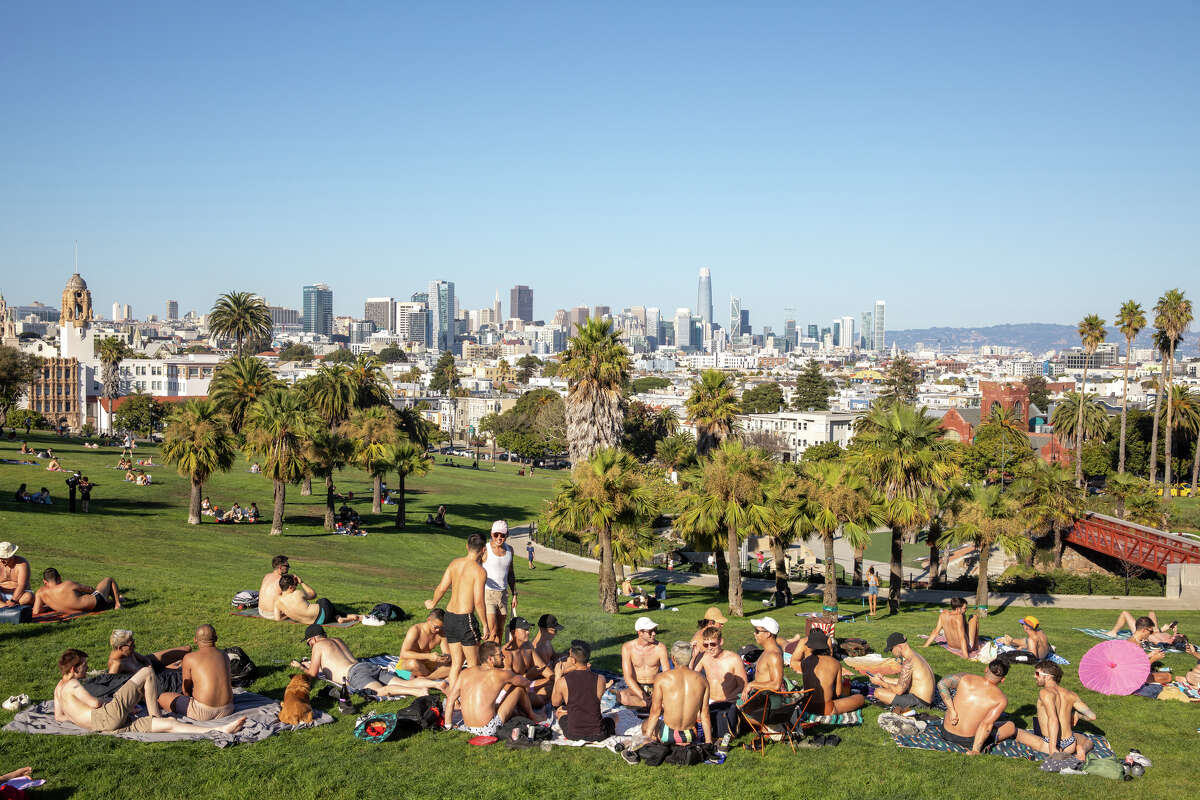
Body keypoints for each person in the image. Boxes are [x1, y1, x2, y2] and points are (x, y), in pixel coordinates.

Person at [53, 649, 245, 736]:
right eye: (84, 667)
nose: (86, 670)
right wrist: (117, 706)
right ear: (72, 670)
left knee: (168, 725)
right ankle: (154, 713)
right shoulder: (74, 685)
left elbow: (59, 717)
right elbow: (95, 704)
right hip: (105, 716)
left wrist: (79, 718)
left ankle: (218, 730)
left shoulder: (59, 689)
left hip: (103, 726)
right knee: (146, 672)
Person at [295, 624, 446, 698]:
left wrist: (302, 667)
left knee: (380, 691)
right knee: (404, 681)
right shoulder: (336, 640)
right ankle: (436, 684)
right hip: (365, 666)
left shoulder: (318, 646)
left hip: (354, 674)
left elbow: (313, 673)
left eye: (308, 643)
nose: (310, 646)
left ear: (313, 639)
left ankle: (419, 693)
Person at [424, 533, 489, 688]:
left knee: (456, 664)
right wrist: (485, 624)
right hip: (465, 619)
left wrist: (433, 602)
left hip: (450, 618)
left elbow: (441, 587)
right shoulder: (479, 572)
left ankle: (455, 699)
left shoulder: (455, 563)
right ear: (484, 549)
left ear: (467, 546)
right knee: (474, 665)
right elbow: (479, 601)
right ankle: (470, 700)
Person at [443, 641, 542, 736]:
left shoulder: (465, 673)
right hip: (488, 729)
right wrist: (529, 675)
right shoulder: (499, 674)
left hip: (467, 727)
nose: (503, 657)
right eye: (500, 655)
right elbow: (525, 683)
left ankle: (523, 713)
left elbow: (451, 699)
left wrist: (448, 725)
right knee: (518, 689)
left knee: (497, 703)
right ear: (490, 659)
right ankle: (533, 715)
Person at [153, 625, 240, 721]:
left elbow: (186, 687)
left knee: (162, 697)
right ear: (216, 638)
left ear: (195, 640)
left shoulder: (190, 658)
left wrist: (187, 700)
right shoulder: (224, 655)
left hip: (203, 712)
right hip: (228, 708)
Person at [1013, 660, 1096, 758]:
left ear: (1048, 676)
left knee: (1014, 731)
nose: (1034, 676)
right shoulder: (1071, 694)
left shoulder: (1045, 693)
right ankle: (1082, 749)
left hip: (1050, 743)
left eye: (1037, 674)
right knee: (1087, 741)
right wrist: (1078, 715)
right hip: (1070, 743)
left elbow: (1053, 719)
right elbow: (1092, 716)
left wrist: (1053, 748)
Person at [637, 640, 712, 747]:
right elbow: (705, 714)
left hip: (668, 734)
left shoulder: (662, 678)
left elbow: (655, 711)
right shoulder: (702, 679)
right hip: (690, 734)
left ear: (673, 658)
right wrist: (709, 742)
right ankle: (683, 744)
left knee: (645, 724)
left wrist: (647, 737)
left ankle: (656, 743)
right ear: (690, 658)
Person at [934, 662, 1017, 754]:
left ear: (986, 669)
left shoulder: (965, 677)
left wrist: (952, 710)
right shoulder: (1001, 699)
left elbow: (941, 684)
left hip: (945, 732)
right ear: (1003, 679)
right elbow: (986, 726)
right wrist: (975, 750)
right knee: (1011, 726)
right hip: (966, 741)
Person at [551, 641, 615, 741]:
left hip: (573, 734)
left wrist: (558, 676)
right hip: (599, 733)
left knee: (560, 713)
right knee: (615, 716)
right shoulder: (600, 679)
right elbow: (588, 699)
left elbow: (555, 703)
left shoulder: (563, 681)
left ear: (572, 660)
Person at [695, 625, 747, 738]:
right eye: (706, 645)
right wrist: (693, 658)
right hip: (710, 701)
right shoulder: (704, 657)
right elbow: (691, 677)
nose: (709, 648)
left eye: (713, 644)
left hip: (729, 700)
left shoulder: (734, 659)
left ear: (721, 641)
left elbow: (743, 685)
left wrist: (727, 699)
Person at [797, 628, 865, 715]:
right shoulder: (835, 663)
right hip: (827, 709)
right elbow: (838, 693)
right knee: (860, 698)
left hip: (807, 706)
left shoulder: (805, 662)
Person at [617, 617, 671, 709]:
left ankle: (650, 703)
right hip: (637, 686)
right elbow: (628, 677)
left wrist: (658, 691)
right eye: (650, 631)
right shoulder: (627, 648)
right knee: (621, 697)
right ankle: (653, 704)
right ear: (640, 633)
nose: (654, 634)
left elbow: (667, 675)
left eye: (655, 630)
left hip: (656, 686)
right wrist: (643, 696)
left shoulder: (660, 648)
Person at [871, 633, 935, 708]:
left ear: (899, 646)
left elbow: (899, 691)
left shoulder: (909, 662)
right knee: (885, 689)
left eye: (891, 649)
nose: (891, 652)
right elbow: (903, 681)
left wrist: (881, 682)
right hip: (922, 698)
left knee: (878, 692)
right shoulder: (915, 655)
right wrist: (884, 678)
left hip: (920, 702)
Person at [273, 574, 360, 625]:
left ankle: (340, 617)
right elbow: (313, 595)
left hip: (317, 622)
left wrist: (290, 614)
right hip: (324, 613)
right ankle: (340, 617)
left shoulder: (277, 603)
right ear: (291, 587)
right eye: (296, 584)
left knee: (327, 611)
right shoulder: (297, 593)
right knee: (322, 600)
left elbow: (277, 619)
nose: (297, 586)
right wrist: (302, 582)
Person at [482, 520, 517, 644]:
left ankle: (496, 659)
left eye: (502, 535)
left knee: (500, 631)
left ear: (507, 535)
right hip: (488, 594)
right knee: (492, 631)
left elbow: (511, 574)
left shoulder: (510, 550)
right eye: (496, 534)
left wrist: (514, 595)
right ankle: (487, 660)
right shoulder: (485, 549)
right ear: (491, 534)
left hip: (503, 595)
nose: (499, 538)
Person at [503, 617, 552, 704]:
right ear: (514, 633)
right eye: (524, 630)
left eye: (528, 629)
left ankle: (536, 701)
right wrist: (528, 676)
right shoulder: (506, 653)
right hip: (513, 691)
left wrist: (557, 678)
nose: (528, 632)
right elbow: (508, 685)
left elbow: (542, 667)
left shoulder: (528, 646)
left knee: (553, 683)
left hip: (527, 685)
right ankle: (536, 702)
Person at [33, 568, 122, 614]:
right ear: (59, 578)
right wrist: (99, 592)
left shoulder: (40, 593)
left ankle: (113, 599)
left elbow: (36, 611)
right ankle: (117, 604)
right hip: (96, 604)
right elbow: (89, 589)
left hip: (82, 611)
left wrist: (50, 606)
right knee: (109, 580)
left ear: (44, 582)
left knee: (80, 594)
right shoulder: (67, 584)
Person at [107, 629, 190, 675]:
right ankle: (174, 666)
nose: (134, 646)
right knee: (182, 673)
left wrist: (150, 668)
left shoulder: (127, 652)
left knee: (187, 649)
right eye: (132, 645)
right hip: (152, 680)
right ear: (121, 648)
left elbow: (144, 659)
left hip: (150, 668)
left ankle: (174, 665)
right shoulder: (116, 664)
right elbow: (112, 686)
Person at [399, 608, 453, 679]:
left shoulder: (441, 633)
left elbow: (447, 653)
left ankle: (426, 678)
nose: (438, 630)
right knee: (413, 663)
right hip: (405, 664)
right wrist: (428, 656)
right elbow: (404, 654)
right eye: (436, 627)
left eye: (441, 627)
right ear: (428, 620)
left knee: (453, 666)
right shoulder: (415, 630)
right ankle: (431, 677)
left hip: (426, 665)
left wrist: (446, 657)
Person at [743, 617, 785, 698]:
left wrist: (752, 684)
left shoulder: (774, 655)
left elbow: (776, 684)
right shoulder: (767, 652)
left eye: (757, 631)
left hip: (767, 704)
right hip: (761, 699)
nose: (754, 633)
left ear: (768, 634)